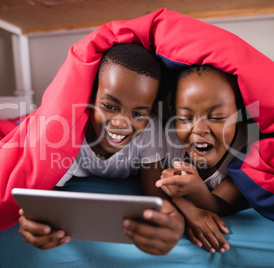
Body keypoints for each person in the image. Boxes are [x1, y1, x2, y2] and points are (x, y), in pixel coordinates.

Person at [19, 44, 185, 255]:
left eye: (139, 114)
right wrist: (37, 222)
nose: (122, 124)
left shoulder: (150, 131)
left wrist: (176, 221)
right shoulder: (68, 132)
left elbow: (158, 199)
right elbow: (47, 198)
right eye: (110, 107)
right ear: (90, 97)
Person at [156, 64, 250, 254]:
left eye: (216, 117)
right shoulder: (169, 138)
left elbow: (222, 204)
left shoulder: (245, 148)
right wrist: (189, 211)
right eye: (185, 118)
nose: (199, 130)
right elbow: (155, 187)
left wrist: (197, 190)